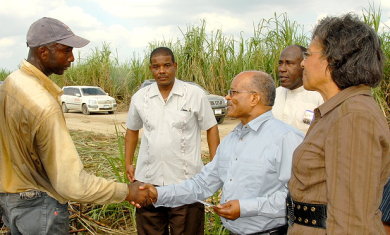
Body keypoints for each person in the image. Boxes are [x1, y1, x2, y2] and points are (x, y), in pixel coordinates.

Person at [0, 17, 148, 234]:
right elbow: (72, 185)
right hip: (39, 210)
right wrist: (127, 191)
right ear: (43, 52)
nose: (72, 58)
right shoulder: (43, 105)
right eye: (66, 50)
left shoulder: (10, 84)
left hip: (11, 203)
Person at [136, 71, 304, 234]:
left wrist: (245, 208)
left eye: (234, 92)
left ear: (254, 98)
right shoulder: (232, 139)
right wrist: (158, 193)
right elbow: (201, 184)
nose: (227, 97)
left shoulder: (286, 138)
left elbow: (298, 198)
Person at [287, 14, 390, 234]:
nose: (303, 62)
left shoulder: (353, 116)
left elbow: (352, 222)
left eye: (308, 54)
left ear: (333, 59)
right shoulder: (336, 111)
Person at [125, 47, 220, 235]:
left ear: (175, 66)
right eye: (156, 66)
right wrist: (128, 162)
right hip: (148, 181)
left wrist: (215, 164)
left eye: (167, 65)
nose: (162, 71)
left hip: (186, 182)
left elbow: (211, 128)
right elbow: (132, 130)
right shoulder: (140, 98)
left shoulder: (194, 94)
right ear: (151, 69)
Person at [273, 45, 323, 133]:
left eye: (289, 63)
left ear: (303, 65)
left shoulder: (319, 97)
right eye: (280, 63)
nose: (282, 69)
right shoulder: (273, 95)